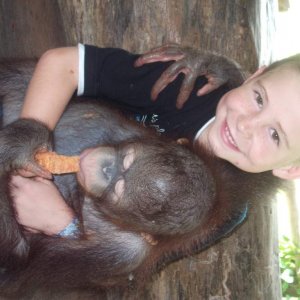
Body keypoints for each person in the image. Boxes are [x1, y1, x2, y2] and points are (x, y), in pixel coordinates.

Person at [10, 43, 300, 237]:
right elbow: (66, 64)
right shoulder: (187, 88)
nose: (246, 125)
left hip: (32, 221)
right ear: (254, 76)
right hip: (24, 122)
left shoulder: (223, 214)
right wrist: (30, 134)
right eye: (259, 98)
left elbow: (125, 265)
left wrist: (64, 225)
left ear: (291, 169)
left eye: (275, 135)